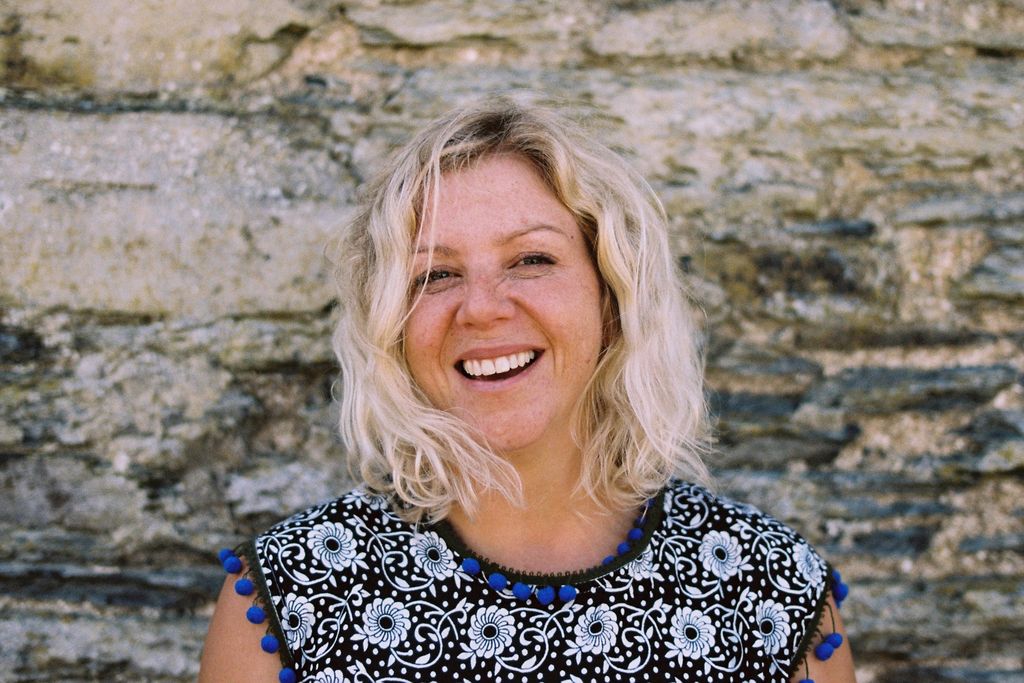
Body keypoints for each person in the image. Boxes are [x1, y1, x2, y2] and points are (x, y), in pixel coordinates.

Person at [199, 97, 856, 683]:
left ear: (610, 297)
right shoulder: (286, 600)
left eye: (532, 260)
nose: (482, 309)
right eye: (436, 275)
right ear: (391, 323)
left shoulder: (769, 591)